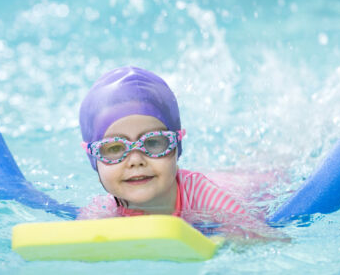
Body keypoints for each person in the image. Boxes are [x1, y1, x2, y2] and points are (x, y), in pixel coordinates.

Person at [77, 66, 285, 240]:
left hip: (248, 183)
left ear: (177, 146)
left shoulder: (203, 196)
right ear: (94, 159)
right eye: (114, 148)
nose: (135, 160)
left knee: (272, 163)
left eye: (153, 142)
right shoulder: (101, 212)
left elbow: (266, 240)